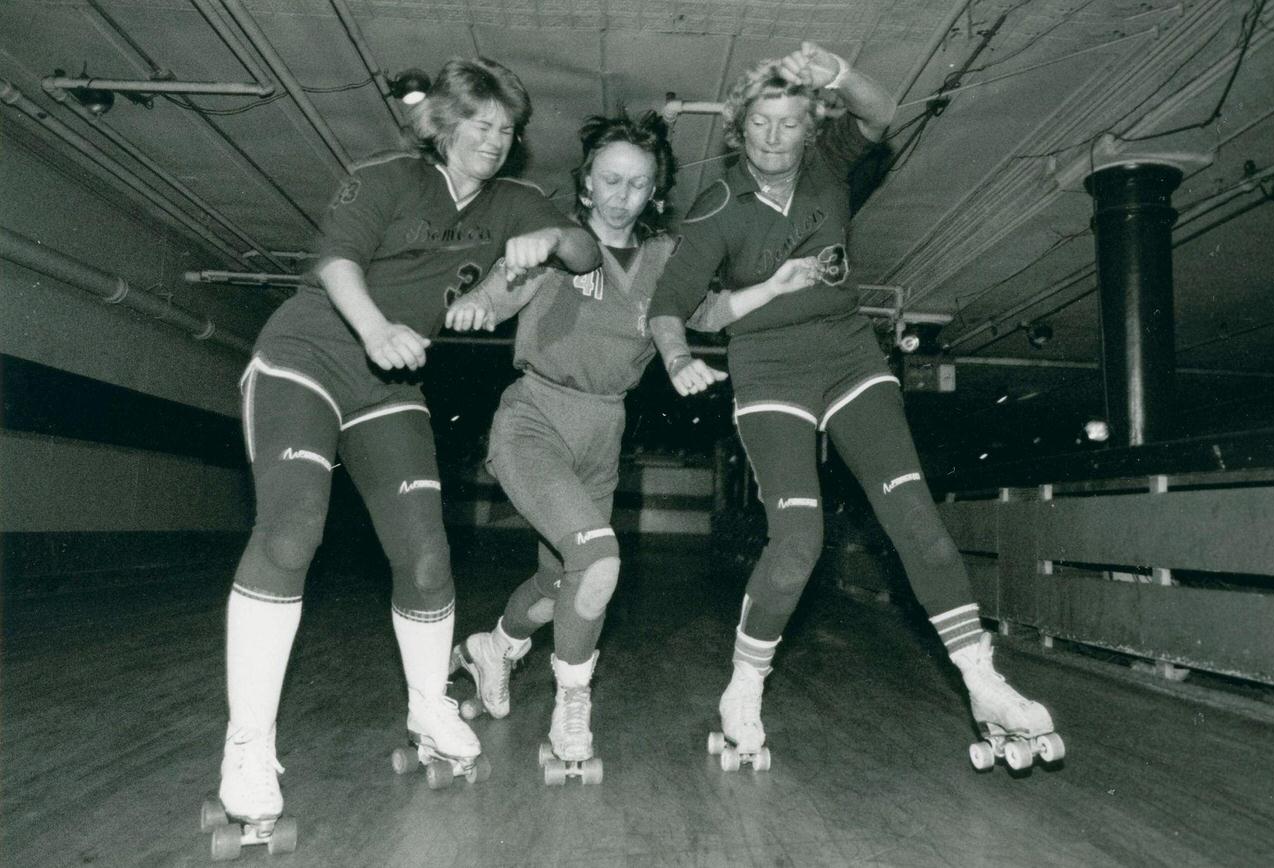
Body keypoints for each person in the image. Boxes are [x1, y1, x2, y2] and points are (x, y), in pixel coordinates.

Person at [646, 42, 1060, 769]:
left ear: (808, 128)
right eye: (761, 126)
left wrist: (837, 74)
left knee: (916, 518)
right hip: (770, 371)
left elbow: (885, 111)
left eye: (788, 124)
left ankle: (982, 680)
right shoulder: (718, 208)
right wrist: (677, 357)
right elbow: (674, 307)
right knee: (798, 541)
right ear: (739, 131)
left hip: (849, 355)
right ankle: (744, 688)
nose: (775, 140)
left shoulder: (828, 166)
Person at [216, 56, 601, 827]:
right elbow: (334, 262)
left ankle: (429, 708)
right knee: (292, 532)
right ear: (444, 126)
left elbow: (592, 255)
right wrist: (377, 326)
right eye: (480, 125)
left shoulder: (516, 201)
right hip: (307, 358)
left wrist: (551, 239)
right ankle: (248, 745)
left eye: (506, 129)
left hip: (388, 387)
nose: (494, 140)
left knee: (426, 555)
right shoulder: (385, 176)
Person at [442, 108, 685, 779]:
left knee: (558, 585)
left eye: (638, 185)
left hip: (604, 433)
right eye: (610, 180)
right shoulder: (555, 243)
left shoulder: (666, 260)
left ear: (654, 192)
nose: (623, 196)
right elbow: (492, 299)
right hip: (534, 421)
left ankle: (495, 645)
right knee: (599, 562)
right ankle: (571, 703)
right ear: (586, 185)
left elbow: (711, 306)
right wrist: (473, 305)